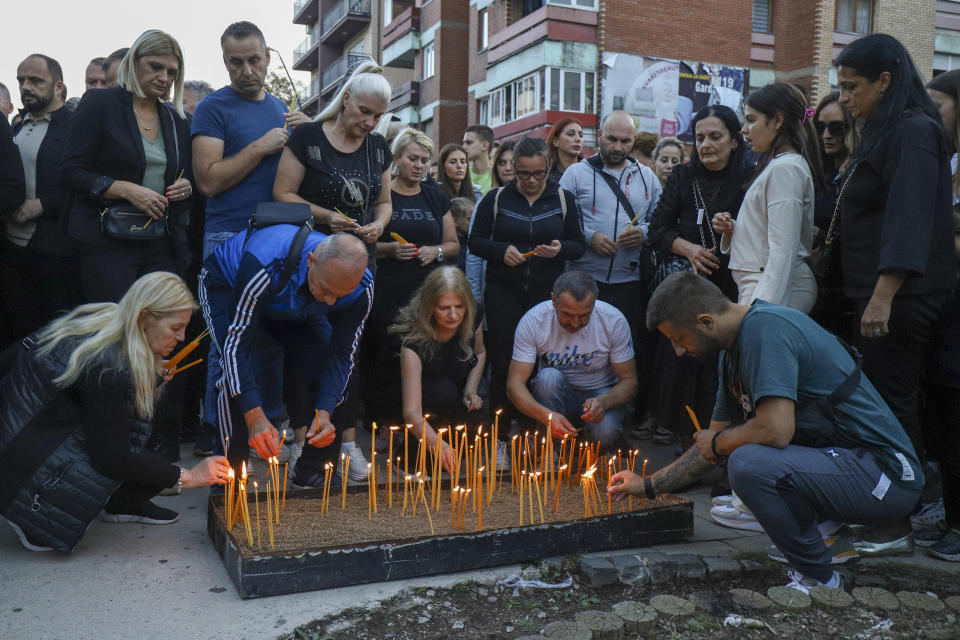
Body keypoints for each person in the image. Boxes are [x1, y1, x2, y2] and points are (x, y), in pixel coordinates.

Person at [609, 271, 924, 593]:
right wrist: (648, 485)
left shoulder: (765, 330)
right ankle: (826, 539)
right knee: (743, 453)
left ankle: (822, 579)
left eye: (678, 338)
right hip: (846, 465)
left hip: (887, 476)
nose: (677, 351)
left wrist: (719, 442)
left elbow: (775, 430)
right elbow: (710, 448)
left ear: (705, 321)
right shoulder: (731, 356)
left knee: (748, 462)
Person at [0, 272, 231, 553]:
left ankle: (120, 502)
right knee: (138, 454)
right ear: (144, 317)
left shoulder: (109, 322)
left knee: (137, 432)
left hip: (18, 437)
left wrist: (150, 378)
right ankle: (34, 514)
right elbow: (111, 458)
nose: (182, 338)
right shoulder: (107, 366)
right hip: (21, 466)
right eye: (175, 328)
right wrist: (187, 477)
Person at [835, 34, 956, 476]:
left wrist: (883, 294)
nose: (844, 98)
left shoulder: (914, 131)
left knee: (891, 403)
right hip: (878, 292)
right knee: (881, 400)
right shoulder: (888, 128)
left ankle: (896, 510)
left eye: (852, 87)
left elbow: (909, 219)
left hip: (900, 297)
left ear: (884, 80)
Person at [192, 21, 310, 461]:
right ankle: (215, 435)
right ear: (225, 63)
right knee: (227, 343)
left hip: (278, 238)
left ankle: (264, 430)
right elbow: (207, 180)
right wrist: (261, 146)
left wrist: (308, 135)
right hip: (227, 238)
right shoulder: (211, 108)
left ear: (267, 56)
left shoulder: (282, 109)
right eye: (235, 62)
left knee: (272, 341)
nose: (246, 70)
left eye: (254, 60)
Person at [273, 59, 392, 480]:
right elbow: (280, 196)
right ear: (346, 100)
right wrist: (327, 217)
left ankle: (345, 446)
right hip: (311, 259)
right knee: (308, 351)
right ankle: (304, 442)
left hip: (361, 262)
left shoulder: (379, 147)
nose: (370, 122)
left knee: (347, 352)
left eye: (378, 116)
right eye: (364, 112)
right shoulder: (307, 137)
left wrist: (379, 224)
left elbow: (384, 201)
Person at [199, 226, 372, 488]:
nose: (330, 302)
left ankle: (313, 471)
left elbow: (343, 356)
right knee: (234, 373)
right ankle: (228, 480)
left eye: (340, 295)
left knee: (330, 363)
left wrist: (324, 411)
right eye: (326, 289)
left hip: (295, 302)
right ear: (311, 260)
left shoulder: (361, 288)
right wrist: (255, 417)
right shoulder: (264, 262)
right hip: (230, 287)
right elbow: (236, 349)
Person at [60, 30, 193, 303]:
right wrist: (126, 189)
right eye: (155, 66)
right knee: (112, 329)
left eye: (172, 72)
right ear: (134, 62)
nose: (164, 77)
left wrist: (185, 185)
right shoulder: (100, 103)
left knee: (155, 326)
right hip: (105, 240)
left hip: (158, 238)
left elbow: (182, 172)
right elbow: (69, 172)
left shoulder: (175, 118)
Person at [646, 105, 749, 448]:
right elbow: (657, 230)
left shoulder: (751, 174)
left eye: (715, 137)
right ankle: (686, 437)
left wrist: (733, 230)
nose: (705, 145)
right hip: (691, 287)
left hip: (733, 286)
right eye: (700, 137)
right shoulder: (683, 176)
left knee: (725, 365)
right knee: (687, 360)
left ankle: (723, 438)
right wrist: (688, 249)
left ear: (735, 141)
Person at [468, 136, 585, 431]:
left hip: (545, 294)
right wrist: (500, 250)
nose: (531, 180)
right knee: (504, 361)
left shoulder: (563, 199)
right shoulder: (496, 199)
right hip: (502, 290)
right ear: (512, 169)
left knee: (539, 363)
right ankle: (499, 429)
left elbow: (579, 245)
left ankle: (533, 427)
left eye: (539, 173)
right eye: (523, 173)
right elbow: (475, 241)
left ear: (548, 168)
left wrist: (561, 249)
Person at [560, 111, 660, 426]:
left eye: (625, 141)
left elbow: (660, 221)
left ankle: (620, 417)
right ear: (600, 134)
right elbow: (560, 221)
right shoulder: (575, 174)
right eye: (612, 139)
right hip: (582, 280)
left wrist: (642, 233)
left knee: (628, 352)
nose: (617, 147)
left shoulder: (649, 177)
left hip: (629, 281)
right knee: (579, 349)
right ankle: (572, 414)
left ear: (635, 140)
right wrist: (589, 237)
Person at [363, 128, 459, 412]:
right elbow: (360, 241)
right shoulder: (379, 194)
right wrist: (388, 250)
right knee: (384, 352)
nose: (419, 166)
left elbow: (453, 244)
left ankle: (417, 415)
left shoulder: (434, 196)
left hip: (425, 290)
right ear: (396, 158)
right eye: (413, 159)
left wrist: (436, 250)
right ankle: (380, 419)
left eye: (425, 160)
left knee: (423, 353)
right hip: (387, 287)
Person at [712, 82, 820, 313]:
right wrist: (734, 229)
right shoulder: (780, 165)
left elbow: (783, 249)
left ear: (778, 121)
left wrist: (763, 310)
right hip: (765, 285)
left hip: (773, 289)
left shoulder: (785, 169)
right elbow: (772, 234)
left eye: (751, 120)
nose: (743, 130)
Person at [370, 267, 486, 471]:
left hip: (448, 388)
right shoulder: (412, 341)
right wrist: (439, 446)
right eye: (444, 308)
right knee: (432, 460)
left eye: (459, 307)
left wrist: (471, 390)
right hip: (399, 397)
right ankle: (405, 457)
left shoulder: (472, 315)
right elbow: (412, 413)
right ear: (430, 307)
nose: (453, 315)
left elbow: (480, 353)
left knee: (476, 423)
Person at [1, 54, 79, 350]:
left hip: (55, 254)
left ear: (59, 87)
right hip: (13, 249)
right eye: (21, 80)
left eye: (35, 80)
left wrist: (43, 205)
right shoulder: (16, 128)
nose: (26, 87)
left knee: (50, 342)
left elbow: (86, 186)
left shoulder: (75, 129)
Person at [507, 270, 637, 448]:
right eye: (567, 314)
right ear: (554, 301)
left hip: (600, 393)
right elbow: (514, 385)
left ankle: (593, 449)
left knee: (606, 432)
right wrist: (546, 416)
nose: (575, 323)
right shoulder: (534, 320)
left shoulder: (613, 321)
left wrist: (604, 402)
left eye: (584, 315)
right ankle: (552, 449)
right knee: (547, 378)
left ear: (594, 303)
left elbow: (630, 382)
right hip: (556, 395)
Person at [918, 69, 960, 560]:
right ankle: (949, 513)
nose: (932, 114)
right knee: (942, 416)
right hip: (939, 303)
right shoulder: (944, 159)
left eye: (940, 105)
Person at [810, 92, 859, 339]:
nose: (826, 135)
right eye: (820, 126)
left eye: (836, 127)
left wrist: (822, 235)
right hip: (820, 286)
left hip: (850, 289)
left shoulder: (861, 171)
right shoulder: (820, 172)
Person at [546, 117, 583, 188]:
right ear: (555, 141)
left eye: (581, 135)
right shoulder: (545, 177)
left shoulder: (592, 173)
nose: (578, 139)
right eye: (571, 134)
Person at [463, 124, 494, 193]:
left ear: (484, 145)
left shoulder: (497, 176)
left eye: (468, 143)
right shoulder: (462, 174)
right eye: (463, 143)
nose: (463, 147)